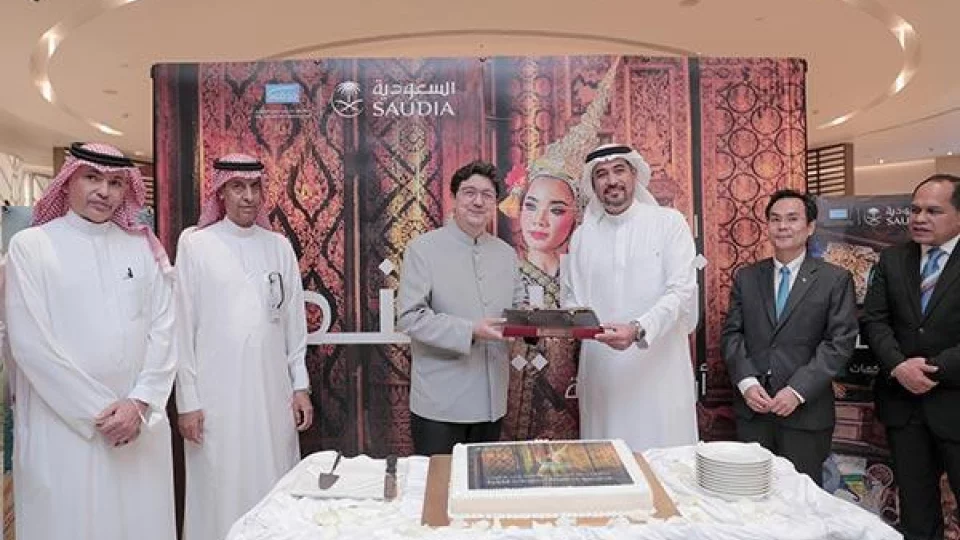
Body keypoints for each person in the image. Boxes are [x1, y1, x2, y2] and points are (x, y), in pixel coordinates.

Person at [4, 142, 176, 540]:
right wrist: (99, 414)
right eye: (92, 178)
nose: (104, 191)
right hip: (65, 426)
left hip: (138, 424)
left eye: (116, 183)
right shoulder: (31, 247)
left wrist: (139, 403)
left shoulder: (141, 247)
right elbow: (31, 345)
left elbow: (166, 330)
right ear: (67, 181)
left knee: (140, 523)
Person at [174, 153, 313, 540]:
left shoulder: (278, 246)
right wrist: (187, 401)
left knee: (274, 476)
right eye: (237, 187)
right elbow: (182, 328)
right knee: (220, 484)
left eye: (254, 187)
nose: (248, 196)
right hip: (215, 398)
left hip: (272, 393)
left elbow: (293, 323)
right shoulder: (196, 245)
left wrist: (300, 386)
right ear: (221, 192)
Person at [562, 143, 699, 452]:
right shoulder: (582, 236)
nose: (612, 181)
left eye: (619, 170)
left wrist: (638, 329)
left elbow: (681, 292)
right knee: (608, 460)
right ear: (592, 184)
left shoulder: (669, 222)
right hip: (603, 374)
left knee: (662, 461)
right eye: (601, 174)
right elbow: (572, 299)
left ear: (634, 175)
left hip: (659, 371)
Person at [721, 189, 857, 487]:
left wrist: (796, 391)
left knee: (801, 500)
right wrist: (747, 383)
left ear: (810, 227)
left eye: (792, 219)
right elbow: (732, 334)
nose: (782, 226)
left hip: (806, 416)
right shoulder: (747, 277)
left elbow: (839, 343)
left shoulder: (834, 279)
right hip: (754, 412)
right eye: (775, 219)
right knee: (752, 497)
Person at [397, 160, 524, 455]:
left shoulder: (506, 254)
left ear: (495, 203)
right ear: (454, 198)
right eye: (469, 193)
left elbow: (518, 308)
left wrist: (534, 324)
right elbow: (409, 317)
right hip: (440, 404)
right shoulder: (423, 249)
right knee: (441, 481)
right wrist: (470, 330)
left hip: (492, 403)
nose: (478, 201)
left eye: (487, 195)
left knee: (482, 483)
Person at [862, 174, 960, 540]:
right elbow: (874, 320)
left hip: (954, 401)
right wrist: (899, 366)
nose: (919, 218)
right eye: (915, 209)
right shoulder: (892, 259)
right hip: (904, 409)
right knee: (917, 515)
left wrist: (933, 369)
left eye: (933, 211)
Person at [500, 164, 582, 441]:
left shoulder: (583, 280)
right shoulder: (501, 274)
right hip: (509, 413)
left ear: (576, 217)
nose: (539, 220)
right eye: (531, 206)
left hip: (574, 409)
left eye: (556, 210)